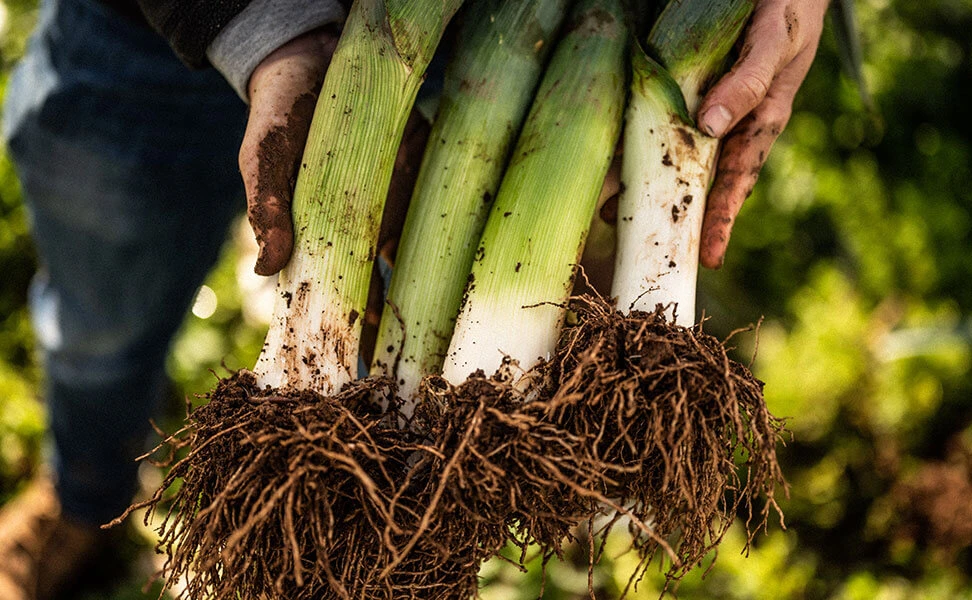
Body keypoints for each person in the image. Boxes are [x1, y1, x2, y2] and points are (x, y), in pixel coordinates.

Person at [0, 0, 830, 597]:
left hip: (536, 42)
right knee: (101, 309)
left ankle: (393, 480)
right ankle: (83, 490)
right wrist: (259, 24)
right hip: (166, 22)